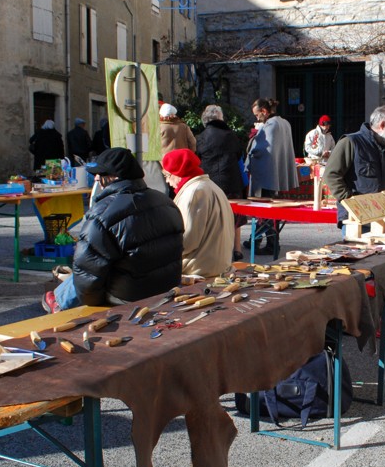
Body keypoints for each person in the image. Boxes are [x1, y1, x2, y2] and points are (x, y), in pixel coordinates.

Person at [42, 147, 184, 313]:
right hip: (167, 288)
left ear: (113, 177)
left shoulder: (102, 213)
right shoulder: (166, 202)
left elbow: (87, 279)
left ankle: (60, 301)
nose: (96, 178)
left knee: (87, 269)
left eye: (100, 174)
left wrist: (94, 304)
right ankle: (61, 298)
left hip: (129, 296)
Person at [162, 148, 235, 278]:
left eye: (167, 176)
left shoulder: (194, 192)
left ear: (178, 172)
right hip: (218, 264)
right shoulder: (210, 186)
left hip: (200, 268)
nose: (167, 181)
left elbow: (188, 241)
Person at [244, 97, 298, 255]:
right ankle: (260, 240)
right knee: (269, 210)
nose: (257, 118)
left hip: (266, 174)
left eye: (257, 115)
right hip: (276, 173)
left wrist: (253, 136)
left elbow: (258, 149)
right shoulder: (285, 123)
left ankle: (269, 243)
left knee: (264, 210)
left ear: (264, 111)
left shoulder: (270, 125)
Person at [195, 104, 248, 261]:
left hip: (210, 182)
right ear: (220, 118)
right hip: (231, 181)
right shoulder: (230, 135)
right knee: (235, 215)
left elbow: (197, 158)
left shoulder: (201, 137)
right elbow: (238, 155)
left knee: (213, 216)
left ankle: (217, 250)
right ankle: (237, 249)